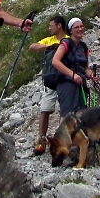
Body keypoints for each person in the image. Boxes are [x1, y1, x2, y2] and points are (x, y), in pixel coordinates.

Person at [29, 14, 67, 155]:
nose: (49, 28)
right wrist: (48, 45)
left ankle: (59, 141)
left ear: (59, 26)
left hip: (64, 79)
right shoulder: (50, 40)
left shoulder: (68, 40)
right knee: (45, 109)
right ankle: (42, 140)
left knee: (64, 111)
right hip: (50, 79)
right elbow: (32, 47)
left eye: (51, 25)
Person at [51, 17, 95, 116]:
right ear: (71, 30)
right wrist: (73, 75)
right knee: (67, 115)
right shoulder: (65, 43)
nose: (80, 29)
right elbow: (55, 61)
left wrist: (91, 75)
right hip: (66, 83)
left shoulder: (83, 47)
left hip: (81, 84)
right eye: (76, 27)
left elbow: (85, 68)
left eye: (81, 26)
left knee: (82, 115)